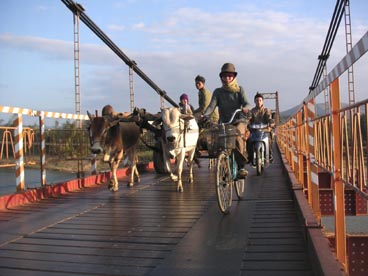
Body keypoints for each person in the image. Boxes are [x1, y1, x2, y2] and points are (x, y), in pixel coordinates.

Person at [202, 63, 251, 178]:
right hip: (224, 122)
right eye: (224, 76)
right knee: (219, 142)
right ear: (221, 77)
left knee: (238, 135)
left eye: (230, 76)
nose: (227, 78)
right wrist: (205, 115)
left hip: (238, 120)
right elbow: (211, 107)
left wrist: (245, 108)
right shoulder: (218, 92)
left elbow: (247, 103)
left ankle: (241, 167)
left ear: (234, 77)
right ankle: (223, 168)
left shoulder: (239, 90)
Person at [248, 92, 275, 162]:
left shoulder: (266, 110)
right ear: (254, 101)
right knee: (248, 140)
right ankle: (250, 157)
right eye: (257, 100)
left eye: (260, 100)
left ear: (262, 101)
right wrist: (247, 123)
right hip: (254, 130)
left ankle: (270, 154)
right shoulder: (252, 111)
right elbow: (249, 119)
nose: (258, 102)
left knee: (269, 138)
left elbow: (269, 117)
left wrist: (271, 122)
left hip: (265, 130)